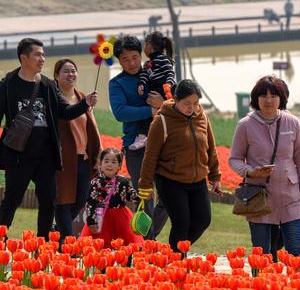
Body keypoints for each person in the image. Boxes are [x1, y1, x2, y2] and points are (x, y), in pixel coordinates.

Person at [0, 38, 98, 239]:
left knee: (48, 200)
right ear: (24, 58)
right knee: (12, 199)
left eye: (43, 55)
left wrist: (85, 103)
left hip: (46, 156)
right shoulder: (8, 84)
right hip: (19, 155)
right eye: (37, 55)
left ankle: (42, 243)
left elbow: (64, 111)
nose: (42, 59)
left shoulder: (47, 84)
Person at [229, 75, 300, 259]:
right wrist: (250, 171)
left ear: (281, 98)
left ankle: (297, 280)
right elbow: (234, 159)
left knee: (296, 253)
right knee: (263, 255)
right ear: (255, 98)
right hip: (259, 197)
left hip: (290, 197)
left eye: (274, 96)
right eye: (263, 96)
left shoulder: (292, 122)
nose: (268, 100)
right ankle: (263, 278)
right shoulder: (245, 125)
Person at [138, 79, 220, 254]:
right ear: (175, 100)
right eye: (187, 103)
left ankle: (173, 254)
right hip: (170, 180)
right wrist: (145, 185)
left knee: (203, 221)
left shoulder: (202, 117)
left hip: (197, 179)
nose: (192, 107)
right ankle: (177, 260)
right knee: (181, 222)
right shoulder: (162, 121)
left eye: (196, 103)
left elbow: (211, 148)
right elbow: (150, 156)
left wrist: (215, 176)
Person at [108, 35, 168, 240]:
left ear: (141, 55)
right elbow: (120, 112)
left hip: (165, 142)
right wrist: (150, 110)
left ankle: (149, 239)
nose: (132, 63)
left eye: (135, 57)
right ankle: (149, 244)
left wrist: (163, 104)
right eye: (125, 59)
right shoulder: (117, 83)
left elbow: (176, 100)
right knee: (145, 197)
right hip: (136, 146)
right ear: (119, 61)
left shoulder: (155, 73)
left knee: (169, 195)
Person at [54, 58, 100, 240]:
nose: (70, 74)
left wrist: (99, 152)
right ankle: (66, 242)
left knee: (80, 199)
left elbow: (92, 126)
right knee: (63, 200)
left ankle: (57, 231)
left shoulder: (82, 97)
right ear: (56, 76)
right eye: (65, 71)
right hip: (62, 158)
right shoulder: (53, 98)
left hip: (83, 158)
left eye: (73, 71)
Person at [83, 148, 142, 247]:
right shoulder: (96, 182)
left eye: (113, 162)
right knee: (101, 247)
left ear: (119, 166)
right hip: (101, 219)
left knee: (123, 247)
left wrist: (142, 195)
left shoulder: (123, 181)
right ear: (100, 165)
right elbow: (90, 203)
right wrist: (91, 222)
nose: (109, 165)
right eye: (106, 161)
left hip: (121, 219)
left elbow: (131, 196)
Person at [132, 31, 176, 151]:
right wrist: (141, 84)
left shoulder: (163, 59)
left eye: (145, 45)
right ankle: (143, 136)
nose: (144, 49)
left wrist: (169, 84)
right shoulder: (148, 63)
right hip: (152, 90)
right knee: (148, 112)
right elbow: (144, 75)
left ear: (149, 46)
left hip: (162, 89)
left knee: (161, 113)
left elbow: (170, 72)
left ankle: (149, 136)